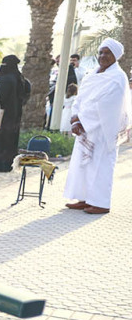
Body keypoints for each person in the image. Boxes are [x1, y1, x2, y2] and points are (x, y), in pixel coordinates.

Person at [63, 38, 131, 215]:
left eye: (107, 53)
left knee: (100, 166)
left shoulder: (118, 77)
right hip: (84, 128)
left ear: (115, 56)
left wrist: (82, 120)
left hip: (102, 130)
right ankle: (83, 198)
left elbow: (107, 105)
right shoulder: (92, 75)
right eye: (101, 52)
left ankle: (100, 203)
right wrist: (75, 119)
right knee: (82, 164)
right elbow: (80, 99)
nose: (102, 56)